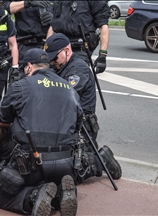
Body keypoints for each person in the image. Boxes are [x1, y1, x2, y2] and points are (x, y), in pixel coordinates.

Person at [0, 48, 82, 215]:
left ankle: (34, 195)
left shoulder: (20, 86)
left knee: (0, 195)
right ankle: (62, 193)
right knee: (51, 183)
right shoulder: (70, 89)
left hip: (32, 163)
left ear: (29, 67)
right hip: (65, 162)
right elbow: (78, 126)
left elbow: (3, 121)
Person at [44, 33, 122, 182]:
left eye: (54, 57)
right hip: (64, 123)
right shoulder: (59, 66)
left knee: (70, 175)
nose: (52, 62)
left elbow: (63, 96)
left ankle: (101, 161)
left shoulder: (78, 69)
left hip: (81, 127)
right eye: (49, 58)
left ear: (67, 50)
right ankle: (88, 153)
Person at [46, 0, 109, 74]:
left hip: (81, 48)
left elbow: (103, 26)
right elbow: (52, 26)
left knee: (77, 76)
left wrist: (102, 55)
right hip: (59, 48)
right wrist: (46, 49)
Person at [1, 0, 53, 84]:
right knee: (20, 83)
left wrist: (54, 20)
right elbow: (4, 9)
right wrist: (27, 3)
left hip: (46, 45)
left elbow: (64, 15)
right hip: (23, 45)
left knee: (46, 84)